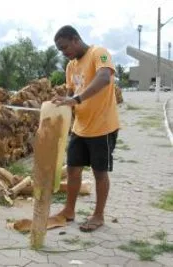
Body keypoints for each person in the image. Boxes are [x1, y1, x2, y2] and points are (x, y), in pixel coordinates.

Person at [52, 25, 120, 232]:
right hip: (80, 128)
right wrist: (60, 108)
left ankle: (98, 216)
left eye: (65, 47)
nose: (64, 53)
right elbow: (71, 93)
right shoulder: (71, 66)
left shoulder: (98, 53)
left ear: (75, 39)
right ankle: (69, 211)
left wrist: (76, 99)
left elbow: (104, 78)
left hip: (103, 127)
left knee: (99, 173)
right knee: (73, 169)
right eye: (60, 50)